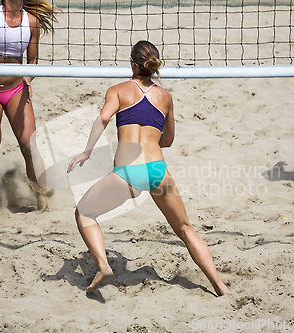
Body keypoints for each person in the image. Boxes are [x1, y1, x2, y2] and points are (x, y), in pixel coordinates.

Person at [68, 41, 228, 296]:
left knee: (84, 214)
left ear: (132, 63)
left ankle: (103, 265)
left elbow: (103, 118)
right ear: (153, 67)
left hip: (128, 173)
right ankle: (219, 285)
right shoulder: (165, 97)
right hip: (157, 170)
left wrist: (87, 151)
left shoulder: (118, 90)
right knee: (185, 228)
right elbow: (168, 141)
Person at [0, 0, 59, 222]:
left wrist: (29, 76)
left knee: (29, 144)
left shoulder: (31, 21)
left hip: (17, 89)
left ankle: (42, 201)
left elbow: (33, 59)